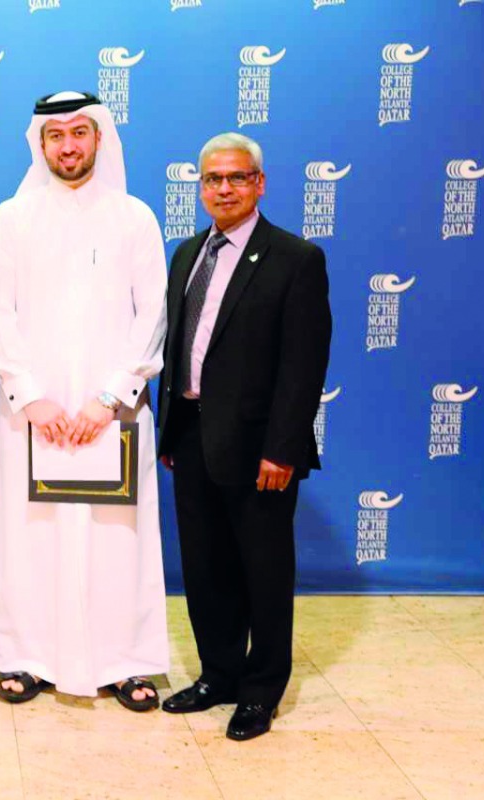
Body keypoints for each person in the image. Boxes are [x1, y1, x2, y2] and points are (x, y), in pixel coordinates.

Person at [0, 92, 169, 710]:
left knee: (119, 538)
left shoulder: (134, 217)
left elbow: (153, 315)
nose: (67, 145)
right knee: (31, 539)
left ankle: (127, 661)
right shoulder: (11, 218)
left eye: (79, 133)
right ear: (40, 143)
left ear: (100, 139)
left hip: (109, 415)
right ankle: (27, 658)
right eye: (55, 135)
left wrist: (111, 396)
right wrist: (30, 396)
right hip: (35, 417)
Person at [157, 132, 332, 741]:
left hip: (260, 449)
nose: (223, 189)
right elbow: (180, 348)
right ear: (200, 187)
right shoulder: (185, 254)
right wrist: (169, 428)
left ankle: (259, 692)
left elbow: (303, 365)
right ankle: (218, 676)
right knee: (205, 568)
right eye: (212, 179)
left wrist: (282, 448)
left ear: (259, 183)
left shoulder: (294, 258)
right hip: (192, 433)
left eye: (236, 178)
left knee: (263, 571)